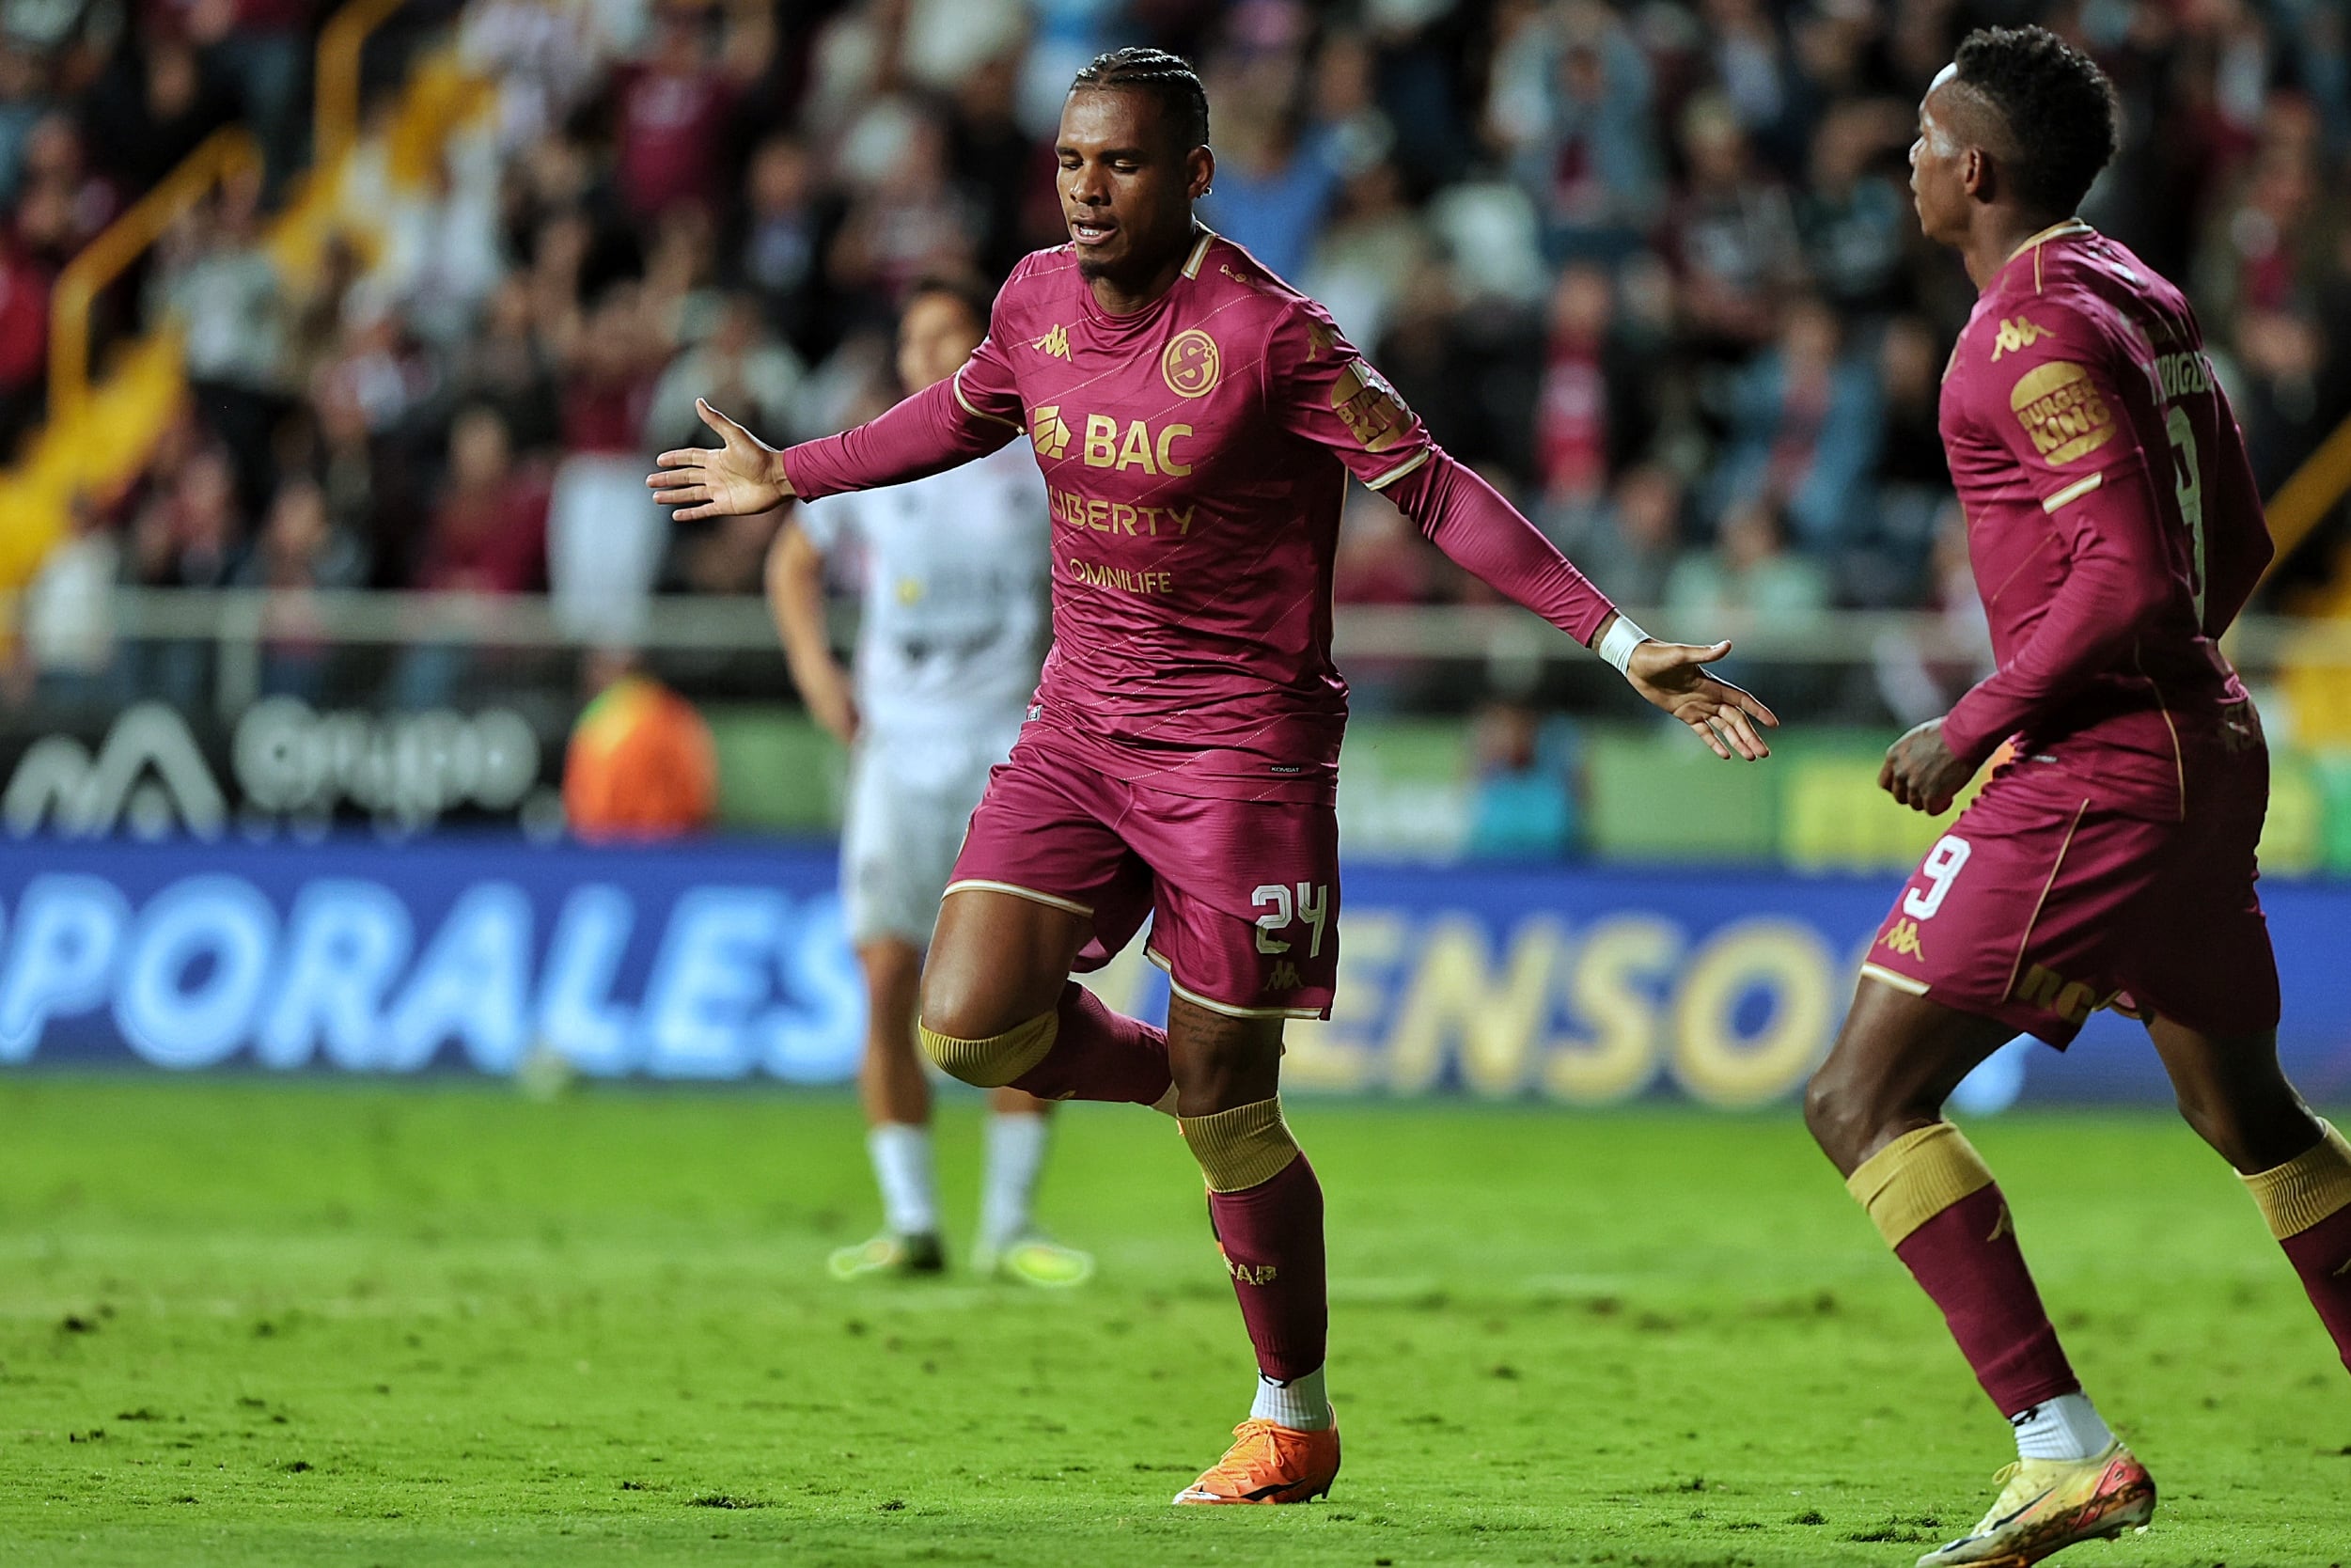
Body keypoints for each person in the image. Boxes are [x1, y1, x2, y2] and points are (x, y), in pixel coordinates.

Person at [653, 47, 1775, 1508]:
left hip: (1243, 756)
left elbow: (1434, 487)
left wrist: (1617, 641)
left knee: (1235, 1114)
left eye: (1119, 163)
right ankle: (1175, 1081)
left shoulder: (1271, 334)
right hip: (1077, 729)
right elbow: (962, 413)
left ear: (1191, 175)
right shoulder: (1031, 299)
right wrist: (792, 472)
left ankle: (1289, 1416)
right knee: (968, 1027)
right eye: (1070, 160)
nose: (1086, 189)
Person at [1801, 28, 2351, 1568]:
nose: (1907, 162)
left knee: (1859, 1098)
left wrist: (1975, 723)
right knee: (2246, 1115)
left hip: (2101, 771)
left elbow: (2123, 576)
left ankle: (2064, 1452)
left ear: (1972, 166)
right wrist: (2172, 690)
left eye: (1922, 139)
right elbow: (2233, 538)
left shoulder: (2019, 338)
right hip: (2196, 746)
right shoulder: (2136, 289)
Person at [766, 275, 1091, 1290]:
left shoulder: (1042, 463)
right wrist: (817, 676)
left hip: (1011, 756)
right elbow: (791, 562)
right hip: (896, 757)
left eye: (950, 334)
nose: (932, 353)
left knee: (1024, 991)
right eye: (915, 340)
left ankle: (1011, 1225)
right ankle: (910, 1221)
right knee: (884, 981)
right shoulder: (875, 461)